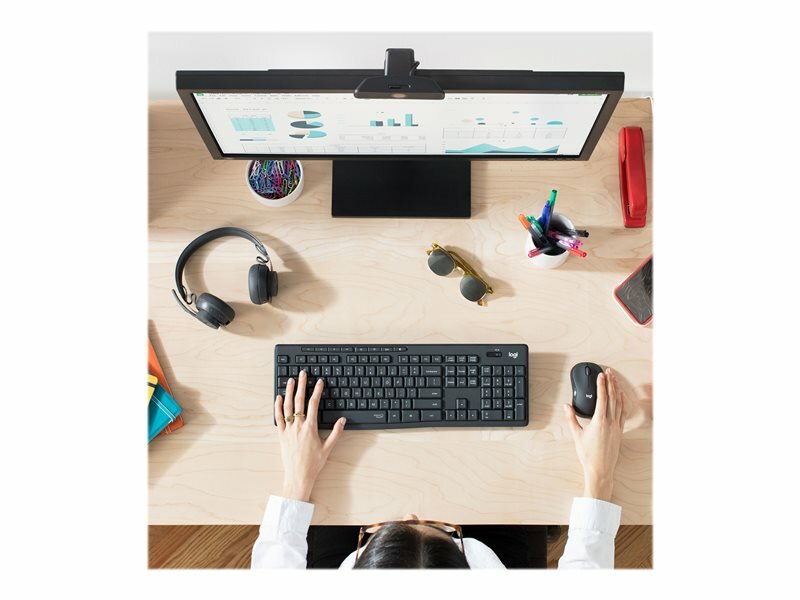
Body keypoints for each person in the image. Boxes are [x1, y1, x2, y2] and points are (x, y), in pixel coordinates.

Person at [251, 367, 627, 569]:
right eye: (445, 531)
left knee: (325, 513)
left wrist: (297, 478)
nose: (413, 514)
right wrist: (600, 472)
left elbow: (275, 568)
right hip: (496, 561)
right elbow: (587, 569)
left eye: (388, 529)